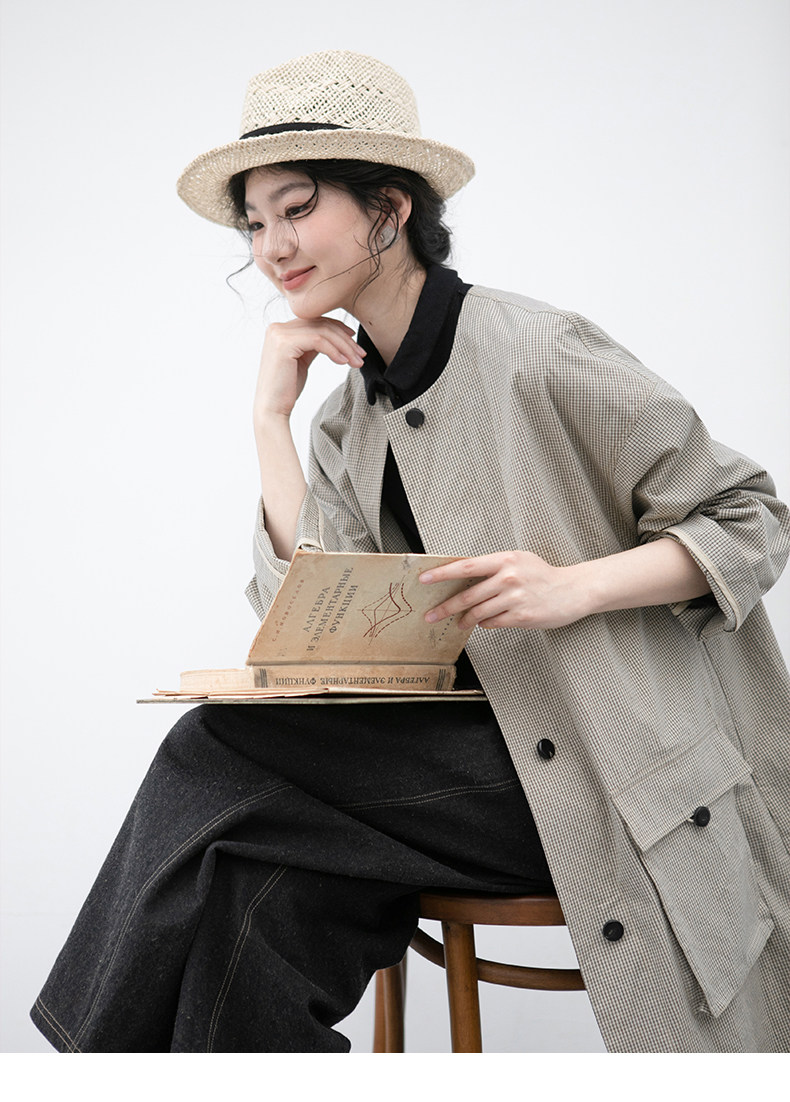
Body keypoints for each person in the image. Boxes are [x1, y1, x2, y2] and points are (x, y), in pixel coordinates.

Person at [31, 50, 790, 1054]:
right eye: (254, 224)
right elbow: (314, 630)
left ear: (389, 208)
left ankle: (88, 1066)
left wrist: (572, 588)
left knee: (211, 750)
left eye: (297, 208)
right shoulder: (347, 420)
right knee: (256, 891)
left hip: (600, 769)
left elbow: (750, 516)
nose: (271, 247)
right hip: (464, 772)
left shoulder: (537, 352)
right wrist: (269, 420)